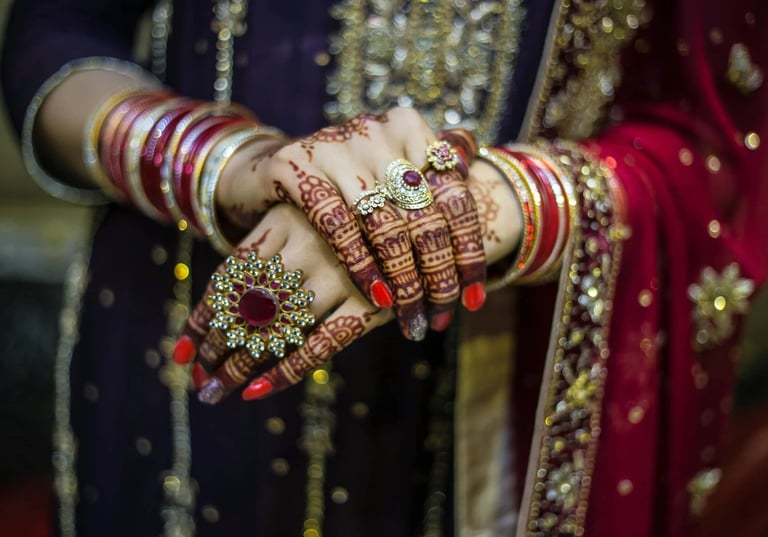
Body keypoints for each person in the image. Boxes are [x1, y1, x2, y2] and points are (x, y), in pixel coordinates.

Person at [2, 1, 767, 536]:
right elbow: (58, 33)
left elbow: (721, 137)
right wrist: (229, 162)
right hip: (192, 339)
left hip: (500, 403)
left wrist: (489, 206)